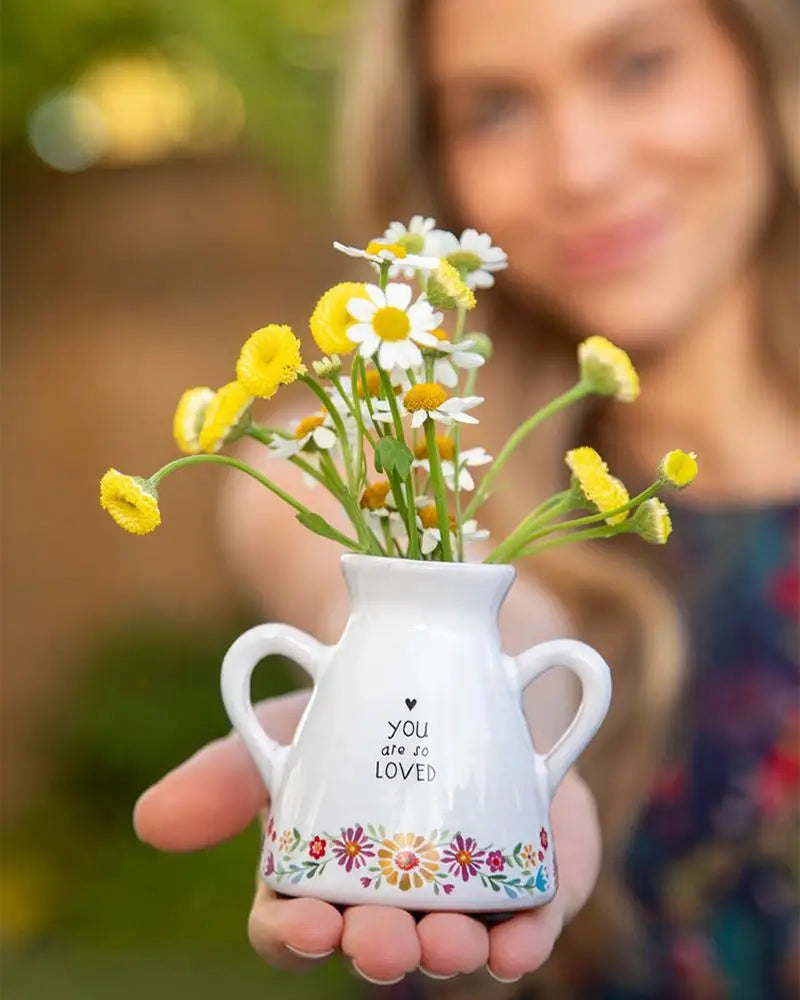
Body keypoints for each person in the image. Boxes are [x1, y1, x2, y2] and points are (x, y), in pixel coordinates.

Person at [133, 0, 799, 996]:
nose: (579, 168)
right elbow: (288, 489)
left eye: (636, 66)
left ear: (759, 63)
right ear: (433, 163)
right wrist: (454, 663)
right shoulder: (421, 450)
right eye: (491, 109)